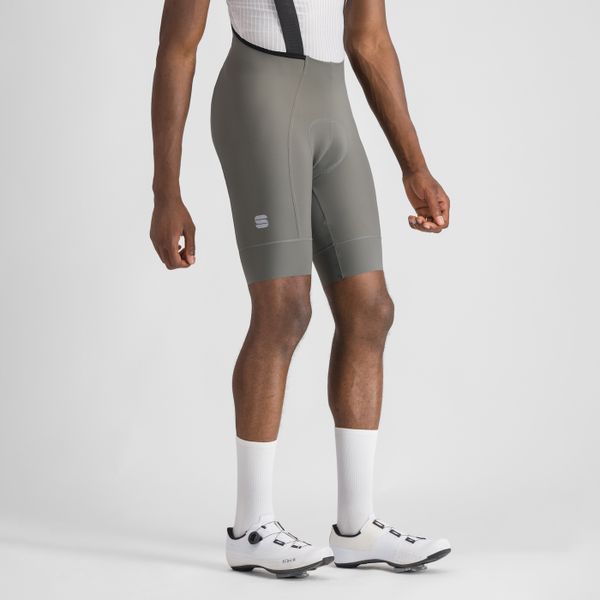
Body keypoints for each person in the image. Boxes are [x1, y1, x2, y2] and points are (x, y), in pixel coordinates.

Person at [150, 0, 451, 578]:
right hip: (258, 99)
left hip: (332, 104)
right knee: (284, 309)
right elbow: (177, 49)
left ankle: (357, 527)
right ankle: (251, 528)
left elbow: (369, 39)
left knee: (371, 310)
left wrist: (414, 165)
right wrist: (167, 191)